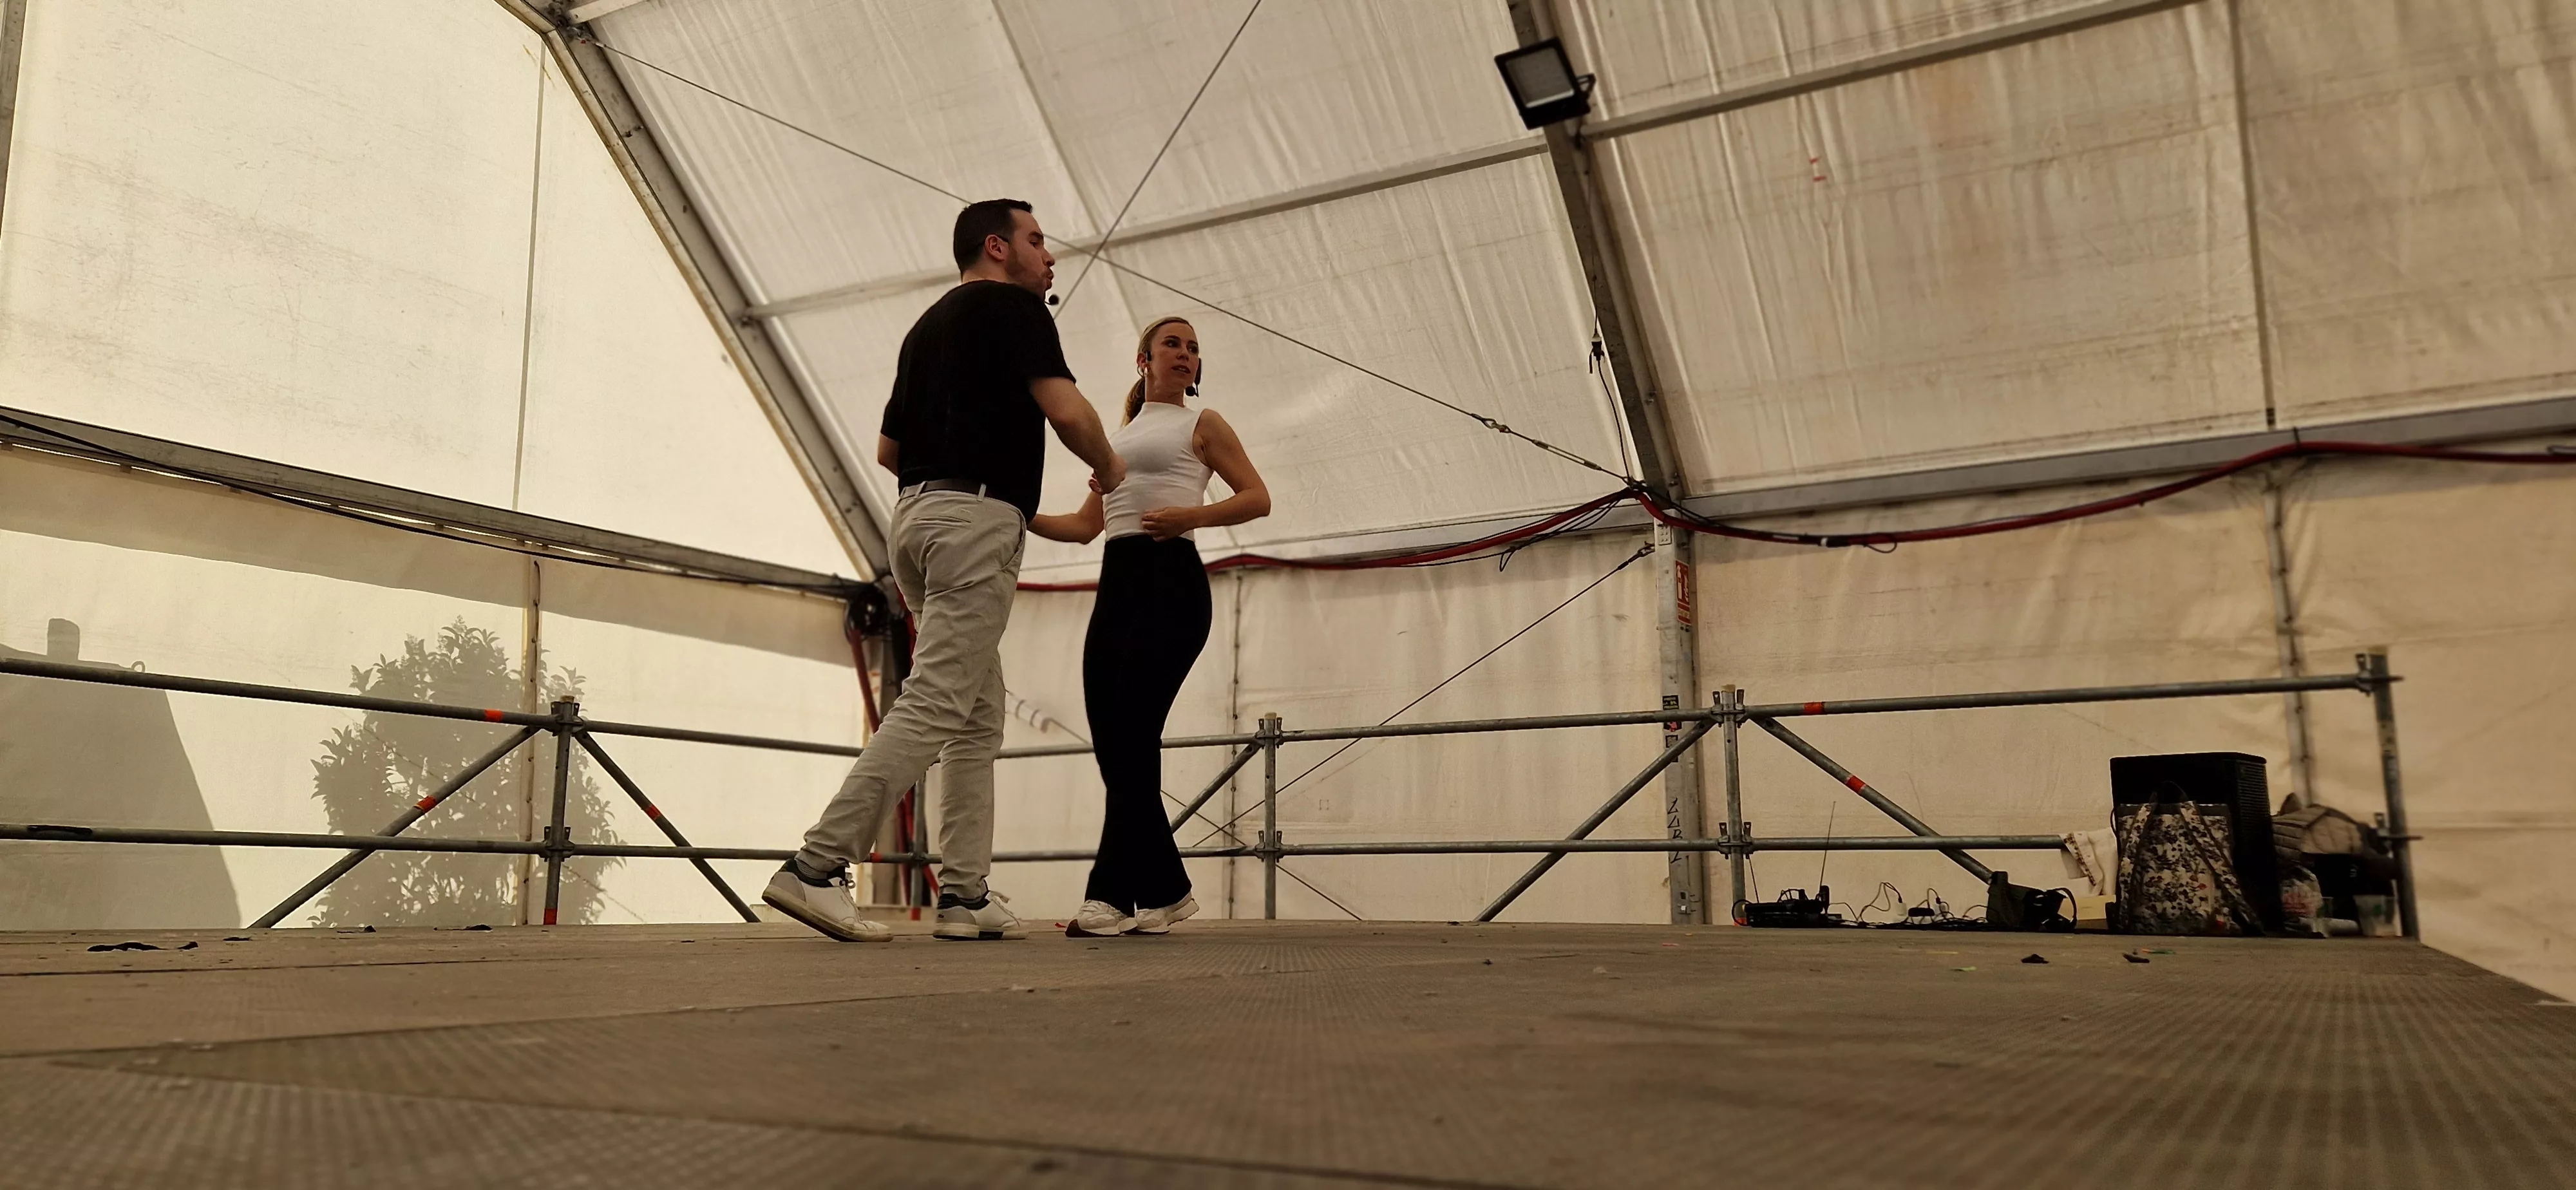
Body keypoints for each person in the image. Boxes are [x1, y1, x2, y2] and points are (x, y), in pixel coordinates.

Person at [764, 199, 1126, 943]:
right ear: (996, 247)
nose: (1049, 257)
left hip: (916, 517)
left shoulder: (927, 327)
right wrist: (1111, 468)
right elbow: (1068, 413)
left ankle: (963, 893)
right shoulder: (1015, 309)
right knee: (937, 700)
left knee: (975, 712)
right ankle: (815, 865)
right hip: (973, 521)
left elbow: (889, 451)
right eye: (1036, 240)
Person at [1030, 316, 1271, 936]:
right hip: (1118, 585)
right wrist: (1019, 512)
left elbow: (1257, 497)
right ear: (1144, 359)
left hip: (1171, 582)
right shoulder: (1115, 440)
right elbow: (1085, 526)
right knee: (1115, 740)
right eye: (1173, 344)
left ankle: (1109, 896)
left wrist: (1190, 514)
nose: (1185, 354)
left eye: (1193, 348)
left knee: (1133, 734)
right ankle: (1165, 893)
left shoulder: (1202, 423)